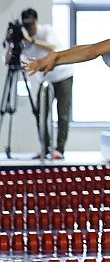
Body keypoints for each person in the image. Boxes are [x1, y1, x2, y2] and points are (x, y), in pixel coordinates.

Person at [17, 9, 73, 159]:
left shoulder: (46, 30)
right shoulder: (23, 41)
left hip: (63, 75)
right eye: (26, 23)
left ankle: (59, 150)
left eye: (31, 22)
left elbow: (52, 48)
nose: (29, 26)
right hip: (45, 80)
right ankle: (45, 148)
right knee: (40, 114)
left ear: (36, 21)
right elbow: (13, 60)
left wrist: (32, 41)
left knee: (63, 114)